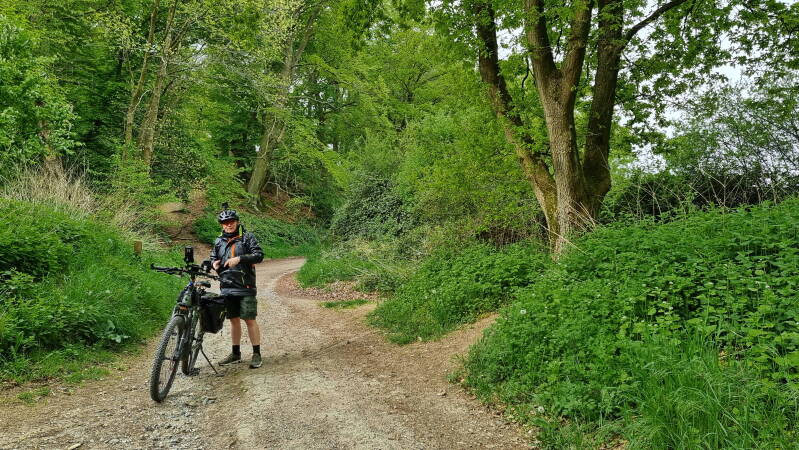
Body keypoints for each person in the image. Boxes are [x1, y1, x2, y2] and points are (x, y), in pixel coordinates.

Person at [210, 207, 265, 368]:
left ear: (237, 222)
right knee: (233, 321)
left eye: (231, 221)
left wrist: (239, 259)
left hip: (245, 286)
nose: (229, 225)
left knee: (249, 320)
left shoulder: (247, 238)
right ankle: (235, 354)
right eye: (225, 222)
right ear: (221, 225)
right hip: (227, 287)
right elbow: (213, 256)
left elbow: (259, 255)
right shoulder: (218, 241)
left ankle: (256, 354)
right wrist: (213, 263)